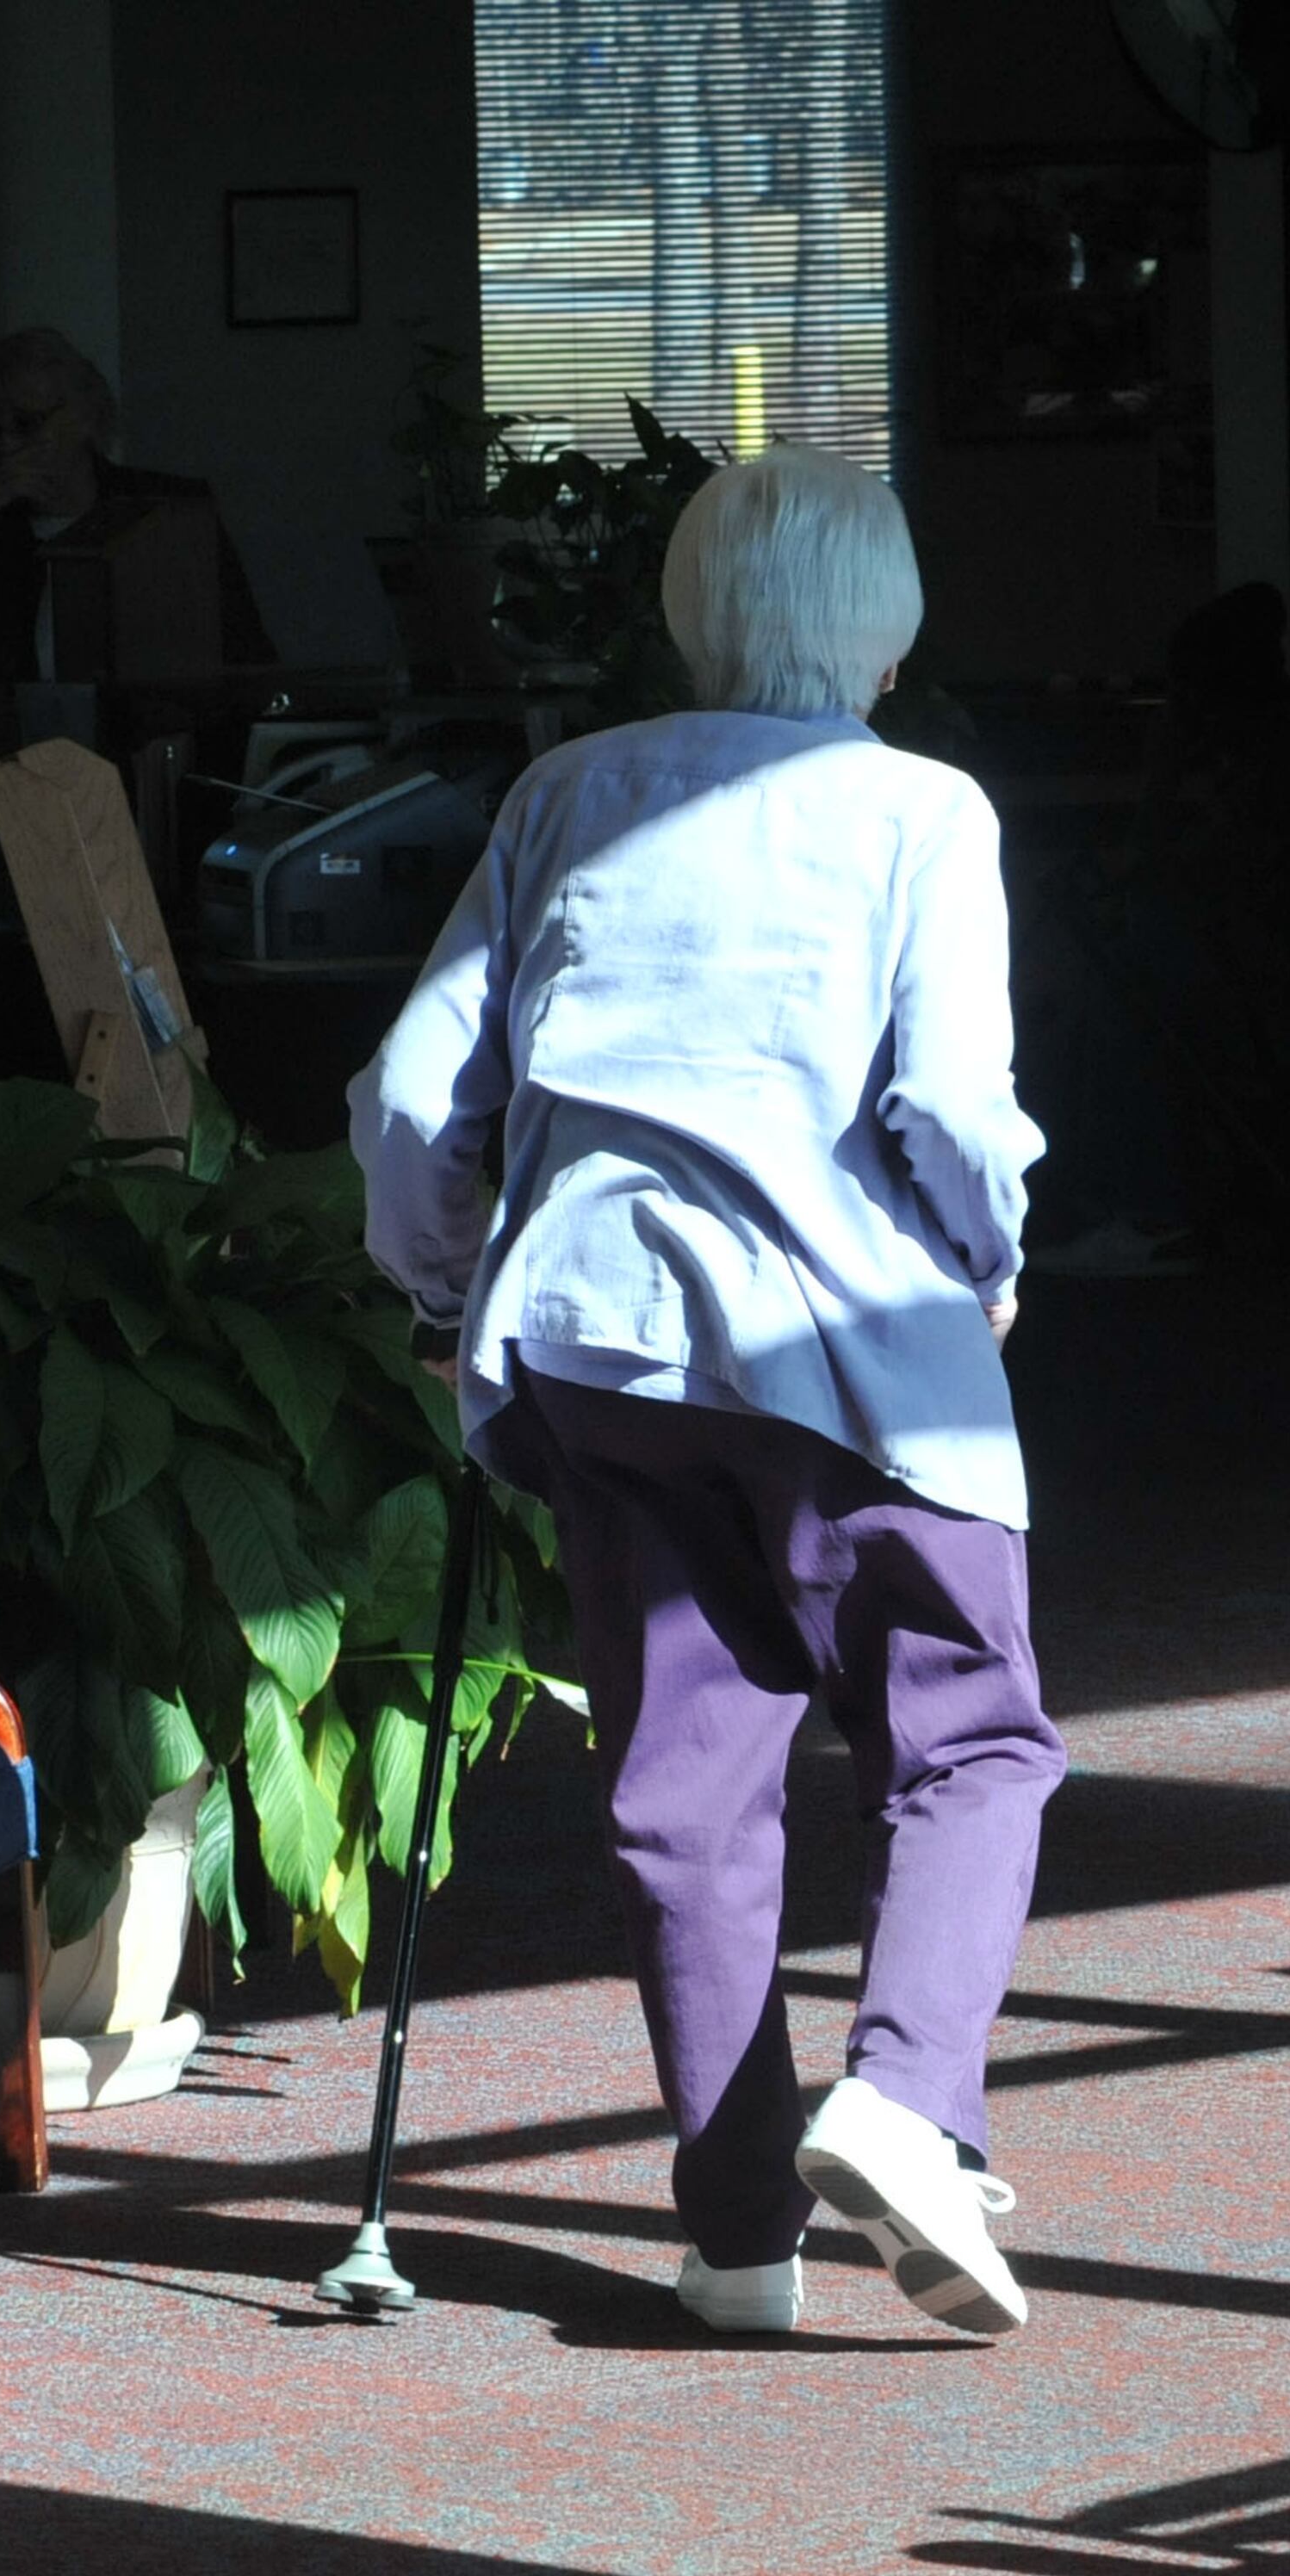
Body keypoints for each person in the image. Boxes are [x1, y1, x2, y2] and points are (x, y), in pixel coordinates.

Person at [349, 446, 1064, 2340]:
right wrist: (984, 1273)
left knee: (689, 1780)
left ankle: (743, 2232)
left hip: (597, 1337)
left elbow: (419, 1100)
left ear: (686, 610)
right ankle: (909, 2103)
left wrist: (444, 1294)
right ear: (888, 625)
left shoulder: (563, 795)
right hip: (853, 1349)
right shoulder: (925, 811)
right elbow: (953, 1114)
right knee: (969, 1735)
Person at [0, 327, 273, 681]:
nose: (6, 446)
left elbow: (246, 654)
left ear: (82, 415)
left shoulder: (167, 509)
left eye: (26, 424)